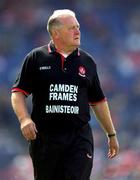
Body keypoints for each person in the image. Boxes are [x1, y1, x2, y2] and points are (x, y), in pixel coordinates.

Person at [11, 9, 119, 180]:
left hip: (79, 138)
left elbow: (98, 101)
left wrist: (111, 134)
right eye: (71, 28)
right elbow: (18, 93)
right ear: (56, 33)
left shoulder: (87, 61)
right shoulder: (36, 58)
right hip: (45, 139)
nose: (77, 31)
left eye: (78, 27)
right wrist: (24, 119)